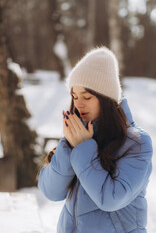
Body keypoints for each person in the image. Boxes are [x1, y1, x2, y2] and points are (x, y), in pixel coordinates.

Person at [38, 47, 153, 233]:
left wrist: (84, 148)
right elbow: (51, 192)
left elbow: (111, 199)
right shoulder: (78, 137)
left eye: (87, 96)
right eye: (74, 96)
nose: (78, 104)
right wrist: (68, 146)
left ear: (107, 99)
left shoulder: (137, 143)